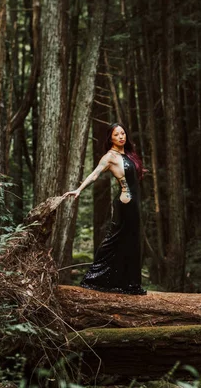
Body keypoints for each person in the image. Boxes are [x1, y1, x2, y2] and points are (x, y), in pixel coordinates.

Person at [63, 123, 146, 295]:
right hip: (125, 203)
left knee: (131, 242)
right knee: (113, 239)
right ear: (110, 138)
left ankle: (128, 284)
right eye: (116, 135)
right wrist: (78, 189)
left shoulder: (129, 154)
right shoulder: (110, 157)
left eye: (123, 133)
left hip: (134, 203)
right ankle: (94, 276)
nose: (121, 137)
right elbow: (95, 174)